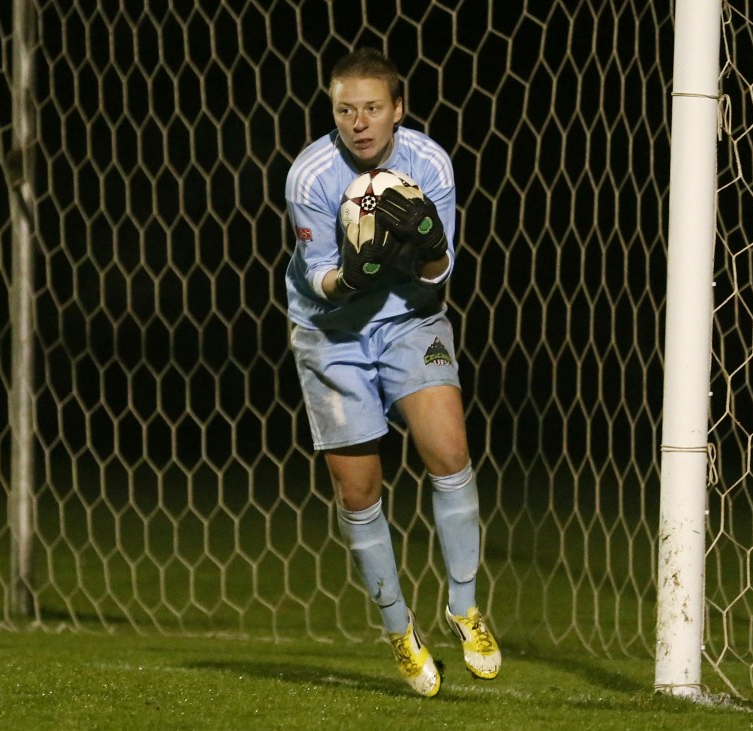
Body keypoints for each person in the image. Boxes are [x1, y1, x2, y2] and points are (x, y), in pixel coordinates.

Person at [283, 47, 501, 697]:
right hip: (333, 333)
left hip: (411, 322)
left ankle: (464, 608)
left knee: (450, 452)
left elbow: (439, 276)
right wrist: (354, 272)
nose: (358, 121)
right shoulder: (310, 176)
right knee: (359, 492)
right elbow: (319, 283)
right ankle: (400, 631)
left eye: (372, 108)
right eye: (345, 109)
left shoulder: (429, 164)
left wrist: (430, 241)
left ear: (397, 110)